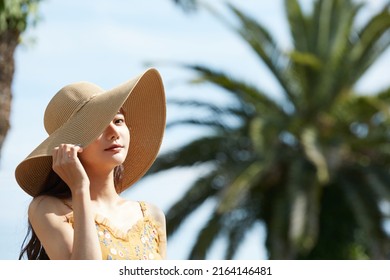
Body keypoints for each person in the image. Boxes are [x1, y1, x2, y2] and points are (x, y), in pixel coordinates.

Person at [15, 68, 167, 260]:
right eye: (97, 127)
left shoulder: (152, 216)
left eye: (119, 120)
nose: (114, 132)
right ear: (68, 147)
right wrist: (80, 189)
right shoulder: (48, 208)